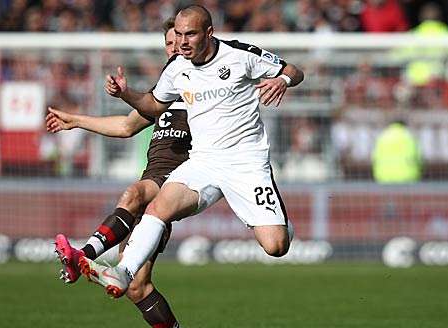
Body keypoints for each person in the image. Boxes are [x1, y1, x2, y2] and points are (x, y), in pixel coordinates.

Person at [78, 4, 304, 299]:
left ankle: (282, 224)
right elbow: (154, 107)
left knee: (276, 246)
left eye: (191, 34)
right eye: (179, 34)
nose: (183, 42)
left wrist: (282, 80)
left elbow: (294, 71)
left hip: (245, 162)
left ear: (208, 33)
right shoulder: (176, 68)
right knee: (158, 207)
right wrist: (126, 94)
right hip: (203, 161)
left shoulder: (239, 55)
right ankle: (124, 271)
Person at [48, 18, 196, 328]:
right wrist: (77, 121)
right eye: (170, 43)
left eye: (181, 42)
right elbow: (127, 126)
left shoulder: (202, 88)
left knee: (133, 192)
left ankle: (81, 256)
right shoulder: (166, 92)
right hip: (154, 182)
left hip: (177, 182)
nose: (175, 48)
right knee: (136, 285)